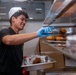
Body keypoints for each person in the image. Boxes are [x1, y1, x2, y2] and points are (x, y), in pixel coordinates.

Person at [0, 7, 54, 75]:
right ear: (13, 19)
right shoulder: (4, 31)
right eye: (22, 19)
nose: (24, 22)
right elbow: (8, 40)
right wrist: (37, 34)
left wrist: (24, 59)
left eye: (25, 20)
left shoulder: (19, 36)